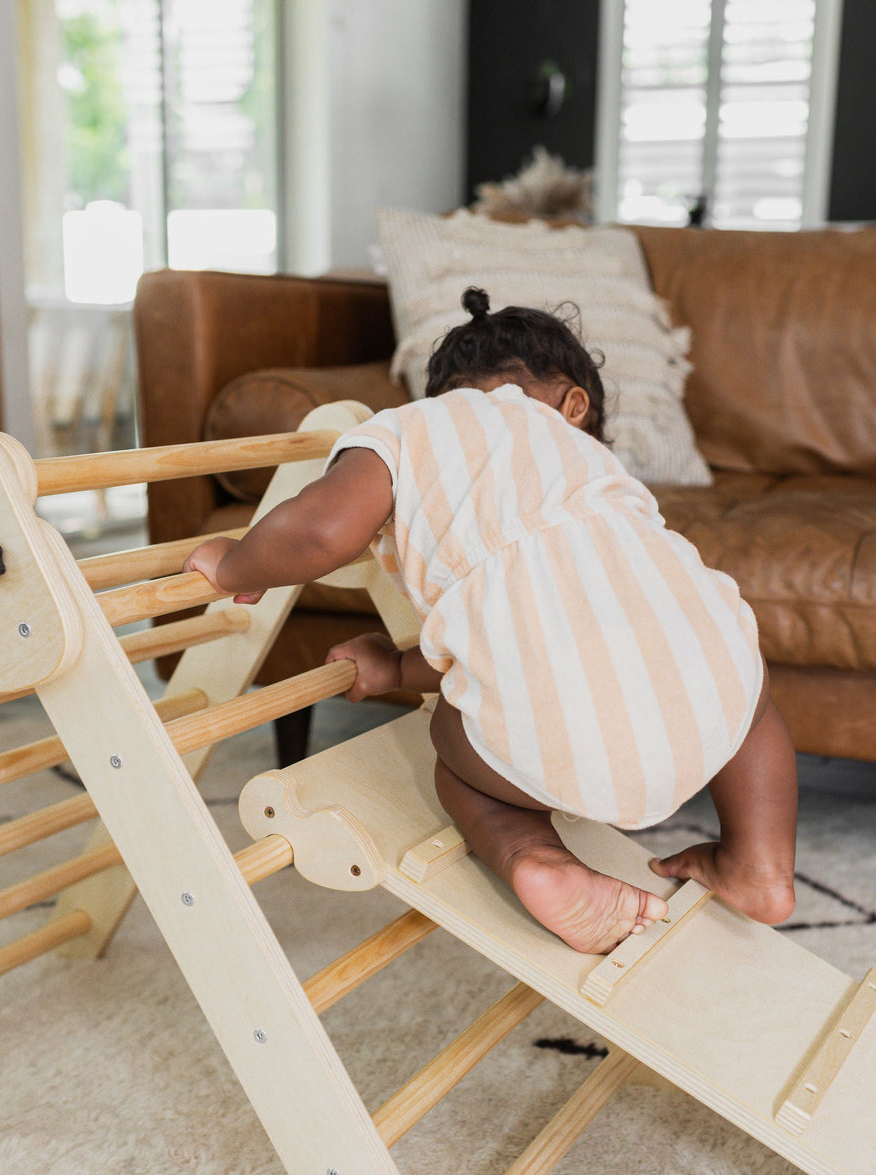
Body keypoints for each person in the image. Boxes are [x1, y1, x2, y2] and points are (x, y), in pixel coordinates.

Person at [185, 287, 798, 955]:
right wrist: (393, 663)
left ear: (441, 395)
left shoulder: (409, 427)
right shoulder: (598, 470)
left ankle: (537, 857)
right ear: (575, 406)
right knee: (746, 676)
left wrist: (237, 565)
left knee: (452, 744)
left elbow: (322, 529)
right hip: (709, 715)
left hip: (546, 742)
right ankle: (758, 863)